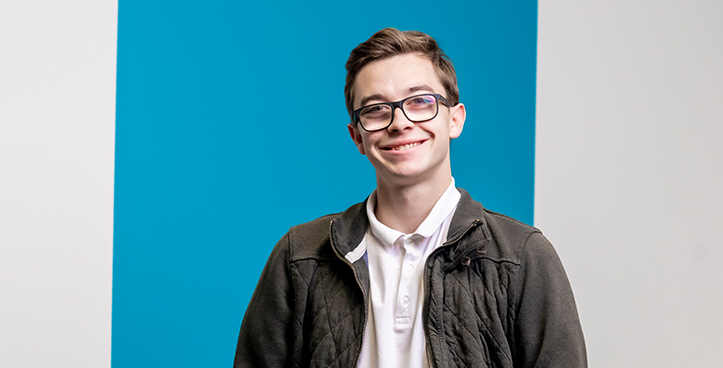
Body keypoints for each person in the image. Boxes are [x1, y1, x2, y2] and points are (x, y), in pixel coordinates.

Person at [234, 28, 586, 368]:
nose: (399, 122)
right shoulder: (300, 256)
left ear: (455, 119)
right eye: (375, 109)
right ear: (357, 137)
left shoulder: (522, 257)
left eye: (420, 101)